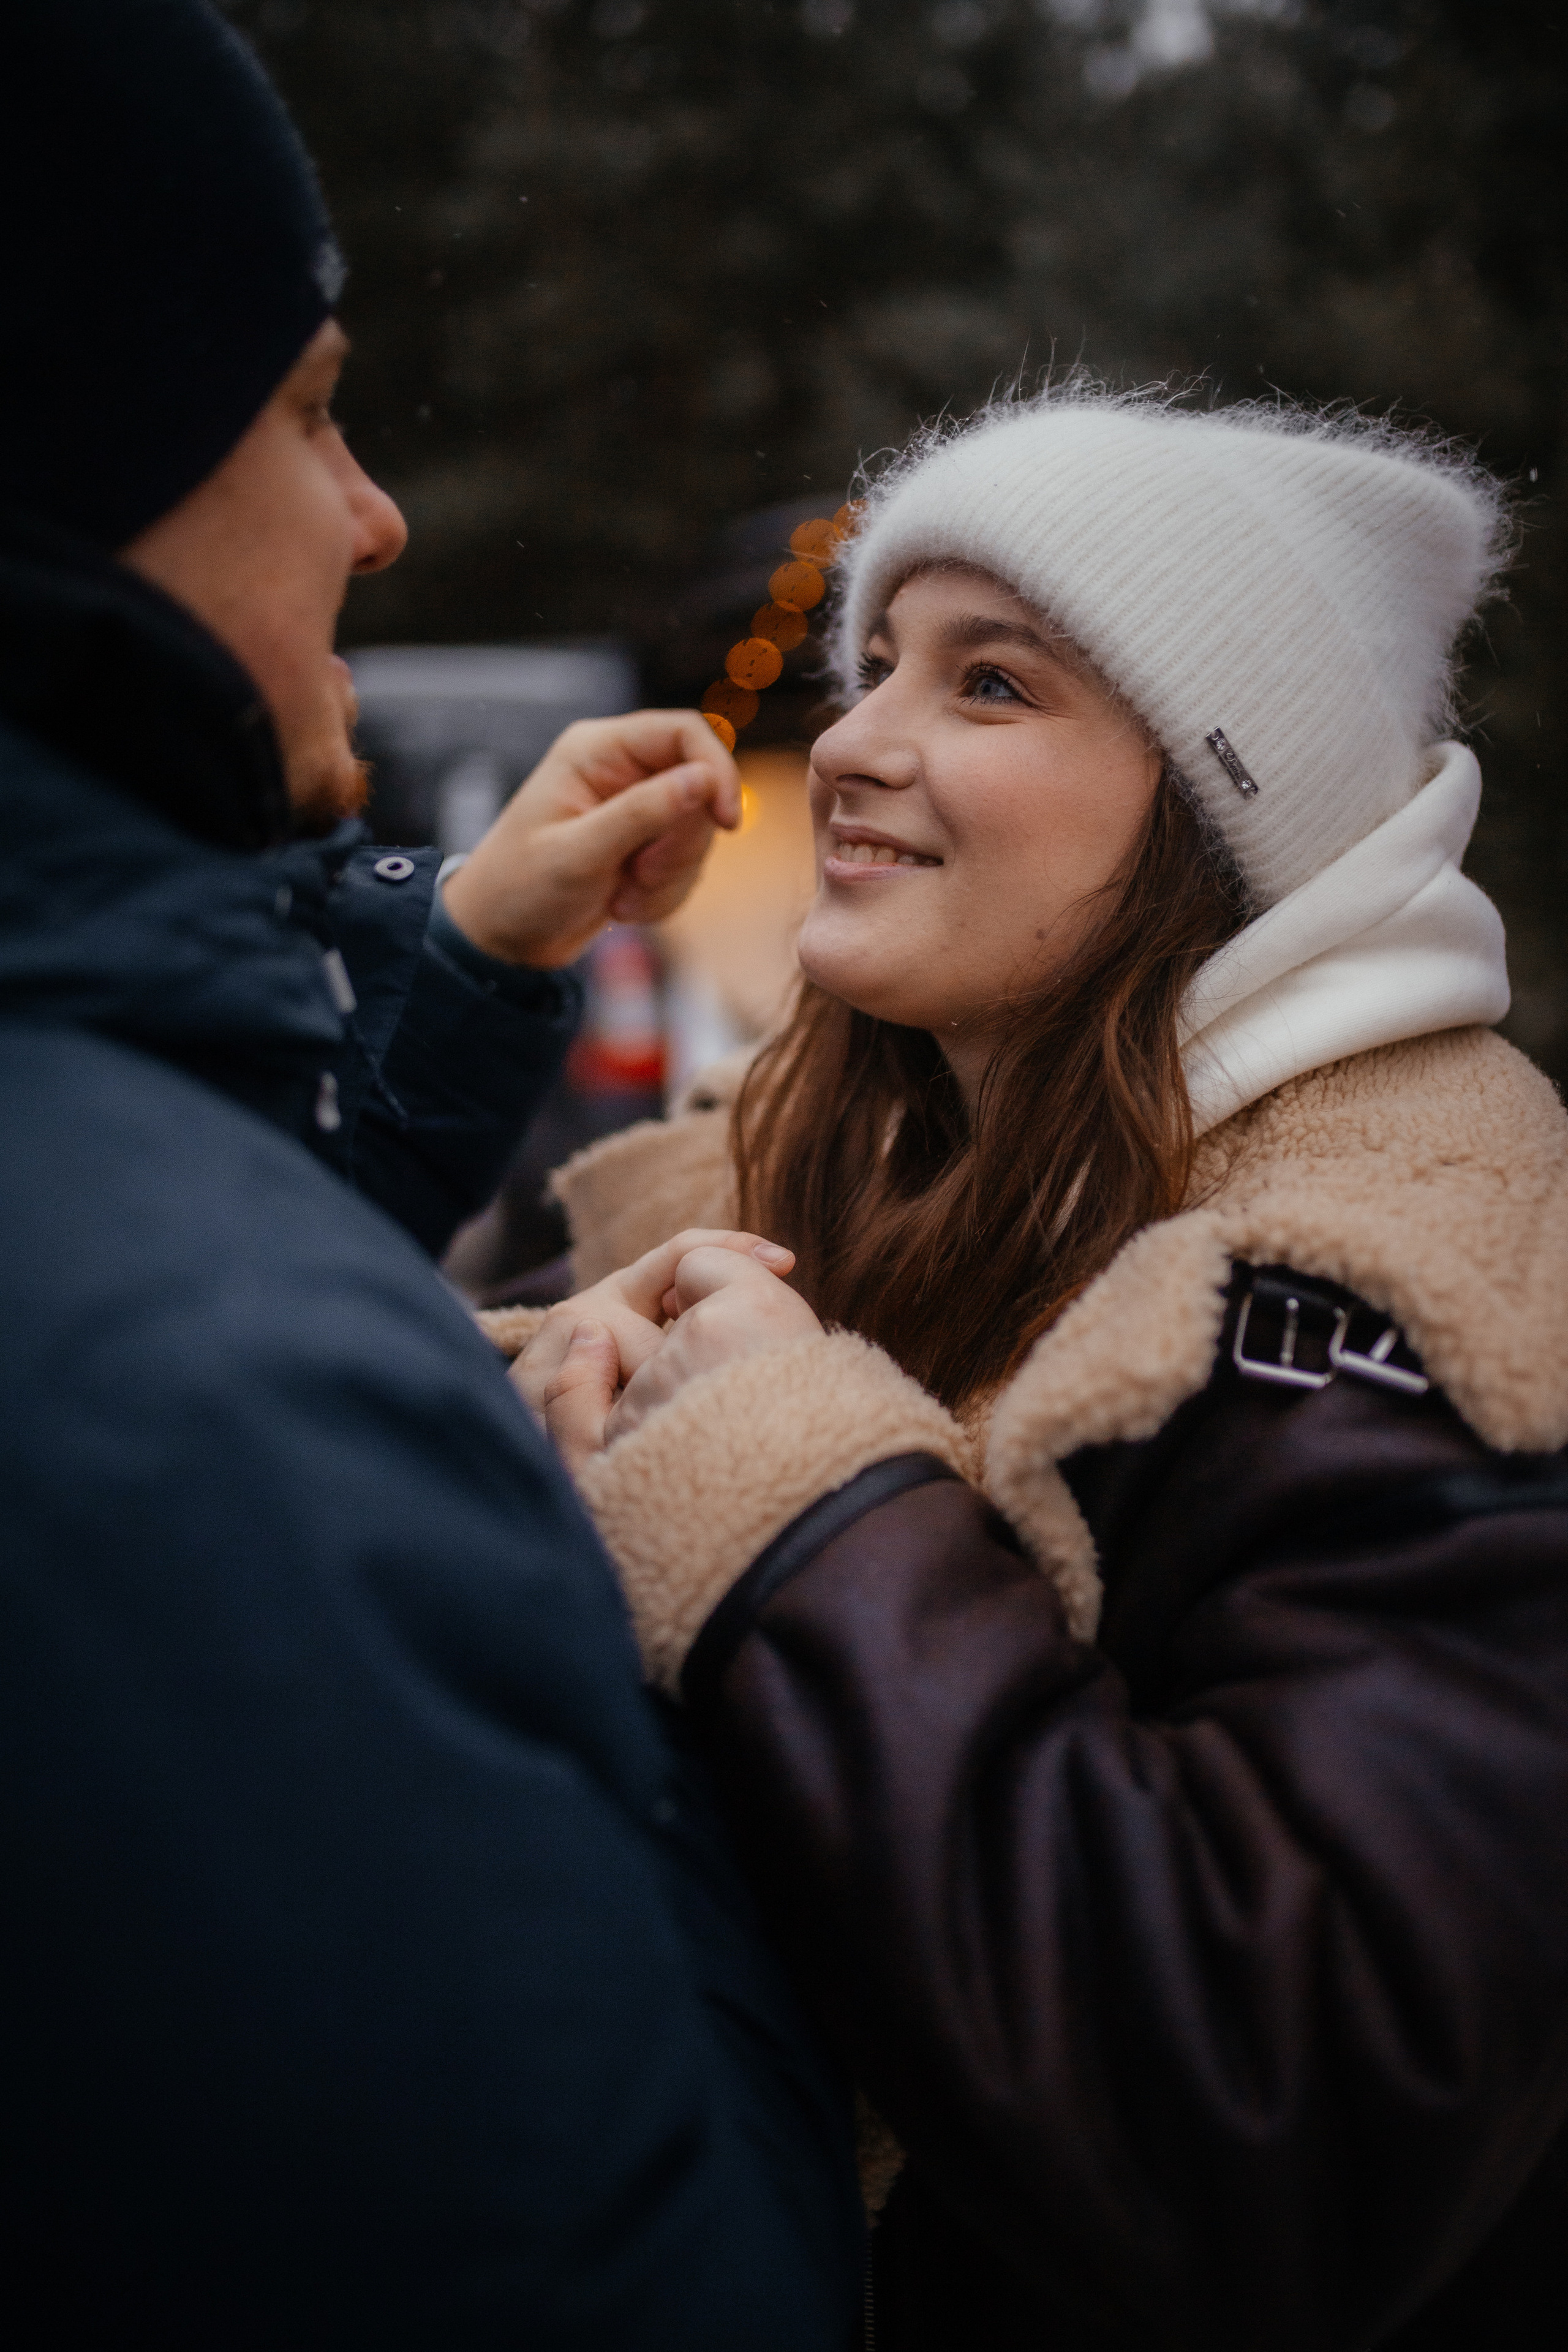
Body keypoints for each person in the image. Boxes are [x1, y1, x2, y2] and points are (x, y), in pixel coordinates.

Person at [511, 389, 1568, 2349]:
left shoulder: (1411, 1302)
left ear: (1219, 817)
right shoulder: (855, 1162)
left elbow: (1291, 2127)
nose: (852, 742)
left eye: (990, 683)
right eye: (880, 664)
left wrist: (795, 1499)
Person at [0, 4, 863, 2341]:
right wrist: (589, 1565)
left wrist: (466, 962)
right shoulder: (214, 1407)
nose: (375, 511)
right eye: (308, 410)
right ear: (83, 465)